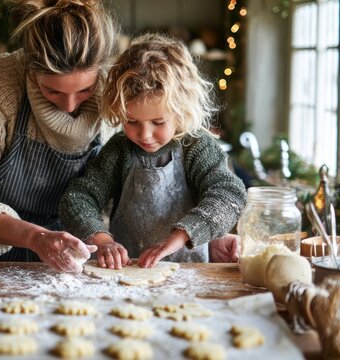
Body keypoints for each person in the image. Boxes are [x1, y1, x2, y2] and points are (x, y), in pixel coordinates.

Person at [0, 0, 119, 273]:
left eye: (84, 90)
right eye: (53, 91)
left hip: (72, 258)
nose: (70, 106)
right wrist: (36, 237)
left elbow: (108, 196)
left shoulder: (113, 88)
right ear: (31, 70)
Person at [59, 33, 247, 270]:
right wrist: (102, 239)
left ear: (182, 110)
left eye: (158, 122)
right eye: (131, 121)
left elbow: (229, 195)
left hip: (192, 273)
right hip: (127, 271)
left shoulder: (195, 146)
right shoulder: (120, 150)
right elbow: (77, 198)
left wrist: (179, 237)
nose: (144, 135)